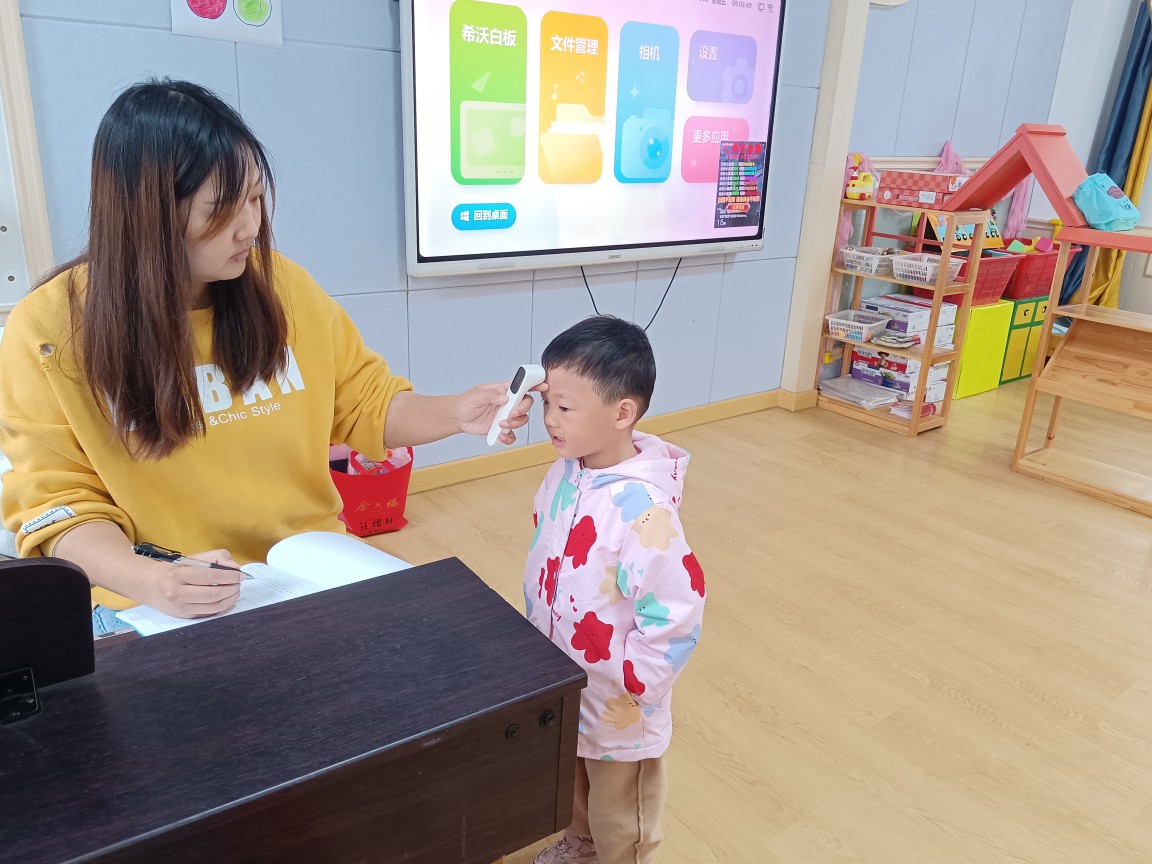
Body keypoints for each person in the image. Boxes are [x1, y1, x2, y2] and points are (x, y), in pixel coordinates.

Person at [0, 79, 536, 633]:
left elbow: (365, 404)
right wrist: (151, 580)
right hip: (152, 600)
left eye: (256, 198)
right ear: (147, 213)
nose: (250, 227)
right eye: (222, 208)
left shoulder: (282, 287)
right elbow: (58, 504)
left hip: (308, 568)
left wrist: (456, 412)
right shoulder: (51, 329)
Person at [524, 316, 706, 864]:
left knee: (620, 810)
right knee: (573, 776)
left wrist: (636, 682)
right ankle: (580, 844)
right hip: (566, 672)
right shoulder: (566, 472)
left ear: (623, 413)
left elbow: (676, 608)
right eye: (546, 403)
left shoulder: (645, 512)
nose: (549, 419)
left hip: (622, 701)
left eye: (565, 407)